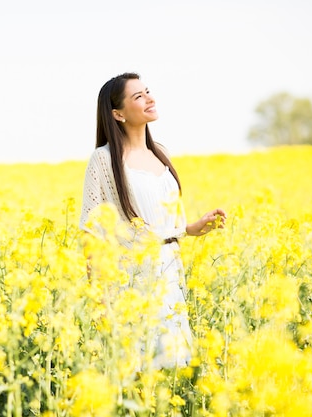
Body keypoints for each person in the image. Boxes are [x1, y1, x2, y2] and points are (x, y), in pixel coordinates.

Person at [79, 72, 226, 369]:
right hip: (131, 281)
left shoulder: (162, 154)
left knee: (173, 371)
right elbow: (92, 232)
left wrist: (190, 230)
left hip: (171, 275)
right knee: (138, 371)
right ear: (117, 114)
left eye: (148, 92)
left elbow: (162, 225)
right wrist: (99, 301)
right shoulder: (104, 160)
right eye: (138, 96)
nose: (150, 99)